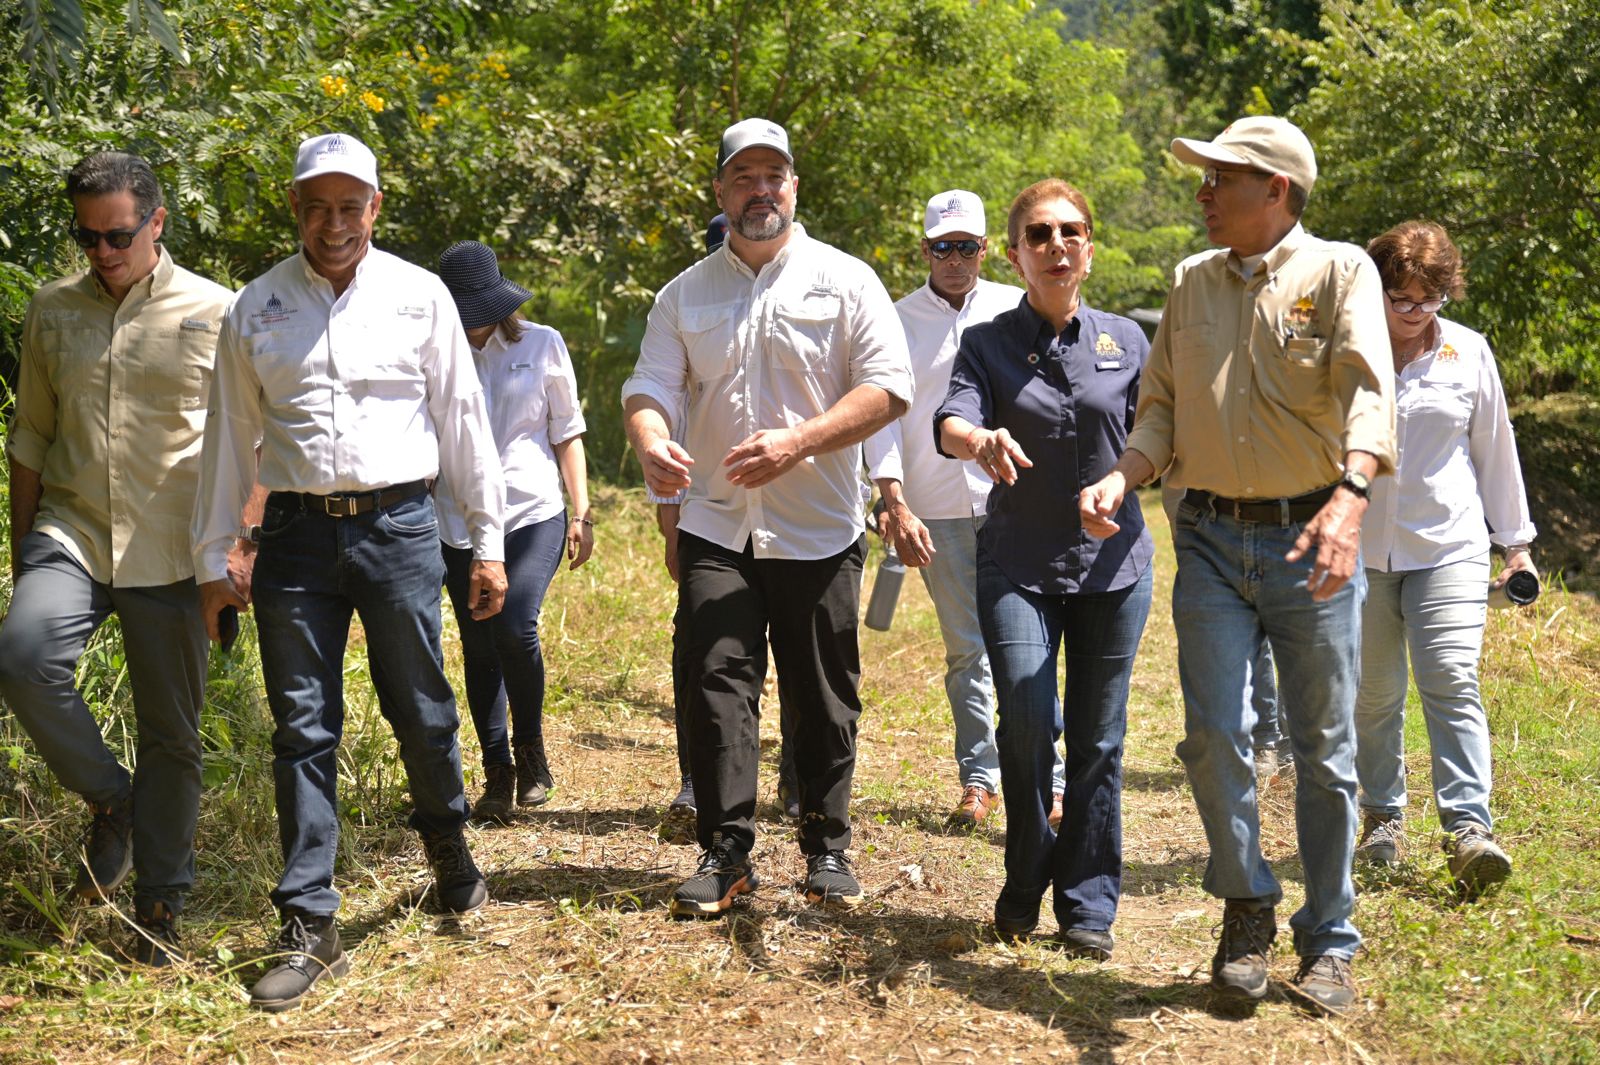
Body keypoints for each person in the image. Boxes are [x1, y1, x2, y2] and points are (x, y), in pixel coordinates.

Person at [1079, 116, 1396, 1015]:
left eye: (1222, 178)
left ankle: (1330, 937)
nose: (1202, 192)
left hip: (1312, 539)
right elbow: (1162, 410)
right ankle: (1248, 901)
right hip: (1211, 539)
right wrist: (1122, 476)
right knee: (1215, 735)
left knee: (1325, 752)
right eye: (1204, 177)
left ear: (1278, 191)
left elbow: (1374, 392)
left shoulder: (1340, 273)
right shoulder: (1190, 282)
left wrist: (1352, 492)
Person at [191, 132, 507, 1011]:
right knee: (302, 724)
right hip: (293, 537)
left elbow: (463, 419)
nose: (333, 223)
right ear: (296, 209)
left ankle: (447, 842)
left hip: (401, 525)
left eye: (349, 205)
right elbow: (227, 438)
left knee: (421, 704)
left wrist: (486, 541)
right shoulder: (256, 307)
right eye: (316, 206)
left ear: (375, 207)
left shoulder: (421, 297)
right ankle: (308, 920)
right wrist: (219, 551)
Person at [622, 117, 913, 916]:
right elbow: (649, 388)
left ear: (794, 186)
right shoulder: (684, 294)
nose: (760, 190)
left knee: (822, 694)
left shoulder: (847, 280)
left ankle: (826, 845)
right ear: (720, 190)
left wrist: (800, 443)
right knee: (717, 678)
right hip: (718, 522)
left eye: (773, 176)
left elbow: (888, 388)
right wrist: (651, 441)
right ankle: (726, 851)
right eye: (743, 176)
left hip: (819, 523)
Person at [0, 151, 233, 966]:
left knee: (173, 733)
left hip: (173, 547)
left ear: (157, 222)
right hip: (71, 530)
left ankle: (159, 908)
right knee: (23, 656)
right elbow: (28, 437)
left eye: (118, 236)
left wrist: (234, 554)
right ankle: (112, 801)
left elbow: (247, 445)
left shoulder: (216, 311)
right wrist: (27, 552)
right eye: (87, 238)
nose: (101, 253)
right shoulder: (52, 310)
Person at [933, 180, 1153, 959]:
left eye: (1071, 231)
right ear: (1018, 255)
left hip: (1114, 568)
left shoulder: (1128, 340)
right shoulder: (986, 341)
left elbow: (1156, 437)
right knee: (1027, 720)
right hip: (1019, 565)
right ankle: (1026, 873)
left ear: (1089, 247)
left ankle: (1088, 903)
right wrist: (981, 440)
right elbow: (950, 419)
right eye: (1039, 234)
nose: (1057, 245)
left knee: (1098, 739)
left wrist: (1122, 482)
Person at [864, 189, 1068, 826]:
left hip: (1017, 501)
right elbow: (883, 419)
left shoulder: (1019, 309)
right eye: (942, 248)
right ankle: (979, 778)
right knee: (965, 650)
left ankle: (1051, 779)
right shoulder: (894, 320)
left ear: (992, 251)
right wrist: (893, 501)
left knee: (1032, 643)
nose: (955, 260)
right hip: (935, 507)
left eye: (968, 247)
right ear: (924, 250)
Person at [1353, 220, 1536, 892]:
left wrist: (1514, 546)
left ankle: (1468, 829)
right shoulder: (1348, 351)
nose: (1413, 314)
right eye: (1401, 299)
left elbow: (1494, 451)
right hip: (1363, 550)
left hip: (1450, 546)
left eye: (1429, 300)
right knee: (1374, 694)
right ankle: (1381, 817)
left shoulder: (1468, 352)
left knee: (1451, 676)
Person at [434, 240, 594, 821]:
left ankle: (531, 749)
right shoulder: (434, 354)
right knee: (479, 643)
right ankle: (496, 771)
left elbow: (566, 432)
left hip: (532, 511)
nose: (472, 322)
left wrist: (581, 512)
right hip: (459, 520)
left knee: (516, 624)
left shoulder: (542, 344)